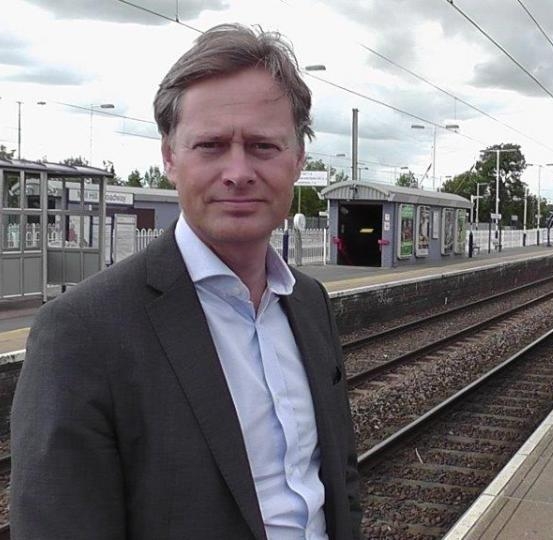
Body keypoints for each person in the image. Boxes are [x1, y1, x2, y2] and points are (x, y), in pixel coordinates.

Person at [11, 24, 362, 539]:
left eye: (264, 145)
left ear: (298, 160)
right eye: (212, 145)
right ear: (170, 158)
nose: (238, 171)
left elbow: (337, 475)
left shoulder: (309, 303)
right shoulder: (81, 331)